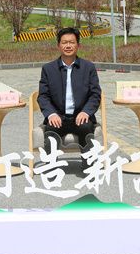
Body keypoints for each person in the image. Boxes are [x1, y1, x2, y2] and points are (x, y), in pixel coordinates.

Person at [37, 27, 101, 160]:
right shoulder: (48, 69)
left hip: (81, 117)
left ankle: (88, 167)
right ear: (58, 45)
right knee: (51, 129)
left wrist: (86, 112)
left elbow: (95, 94)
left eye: (71, 42)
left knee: (86, 128)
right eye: (64, 42)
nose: (68, 46)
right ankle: (51, 167)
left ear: (78, 45)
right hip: (58, 117)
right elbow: (43, 96)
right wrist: (51, 114)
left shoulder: (88, 67)